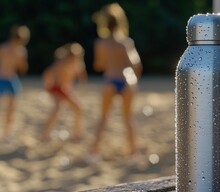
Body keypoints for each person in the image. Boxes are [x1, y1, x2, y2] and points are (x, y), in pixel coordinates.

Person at [90, 3, 143, 160]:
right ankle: (133, 152)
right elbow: (136, 65)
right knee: (128, 119)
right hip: (127, 82)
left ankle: (93, 152)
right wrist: (133, 78)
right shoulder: (126, 42)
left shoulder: (100, 43)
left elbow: (99, 65)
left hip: (110, 80)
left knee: (103, 118)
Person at [40, 43, 87, 141]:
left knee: (78, 108)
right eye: (73, 55)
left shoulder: (78, 65)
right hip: (56, 88)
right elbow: (47, 73)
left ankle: (77, 133)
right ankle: (44, 133)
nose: (74, 57)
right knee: (57, 109)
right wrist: (47, 87)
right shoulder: (61, 63)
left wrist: (82, 87)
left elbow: (82, 76)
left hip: (66, 89)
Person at [0, 25, 30, 140]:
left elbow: (23, 69)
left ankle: (7, 133)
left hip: (12, 79)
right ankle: (7, 132)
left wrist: (21, 61)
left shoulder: (21, 51)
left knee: (12, 108)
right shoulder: (3, 48)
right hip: (1, 78)